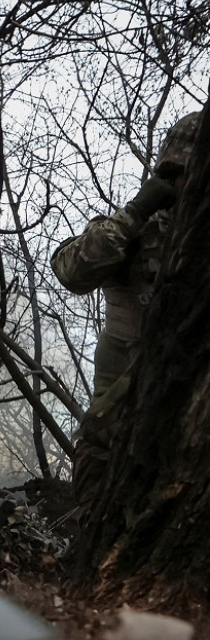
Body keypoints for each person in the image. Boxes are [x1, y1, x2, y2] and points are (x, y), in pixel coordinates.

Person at [51, 112, 200, 508]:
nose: (185, 184)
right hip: (116, 428)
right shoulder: (138, 229)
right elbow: (71, 269)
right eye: (176, 174)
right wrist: (136, 212)